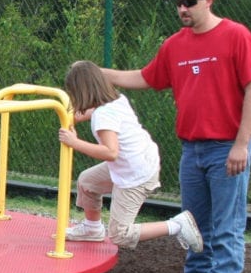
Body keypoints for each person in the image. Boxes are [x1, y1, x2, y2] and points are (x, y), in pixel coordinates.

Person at [102, 0, 251, 273]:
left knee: (226, 229)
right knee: (194, 226)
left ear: (208, 0)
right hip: (192, 150)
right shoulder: (175, 44)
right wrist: (100, 73)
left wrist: (241, 143)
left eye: (189, 3)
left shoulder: (236, 36)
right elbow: (146, 77)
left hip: (227, 147)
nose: (182, 10)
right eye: (178, 3)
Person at [57, 60, 203, 254]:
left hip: (135, 173)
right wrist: (80, 115)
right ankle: (92, 229)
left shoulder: (103, 116)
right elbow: (96, 113)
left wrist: (74, 142)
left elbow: (111, 152)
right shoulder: (116, 100)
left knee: (120, 234)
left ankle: (177, 225)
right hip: (139, 160)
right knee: (87, 182)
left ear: (81, 91)